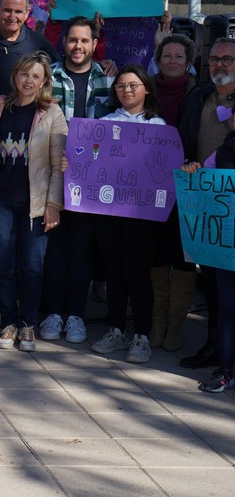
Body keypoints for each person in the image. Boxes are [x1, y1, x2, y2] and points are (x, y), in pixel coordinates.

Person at [0, 52, 67, 352]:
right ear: (15, 75)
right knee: (4, 264)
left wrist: (53, 204)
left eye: (35, 76)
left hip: (36, 202)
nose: (28, 81)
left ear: (44, 81)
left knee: (32, 266)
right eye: (24, 74)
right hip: (0, 199)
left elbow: (59, 165)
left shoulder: (52, 113)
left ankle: (28, 324)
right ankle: (9, 322)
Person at [39, 16, 114, 346]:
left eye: (85, 41)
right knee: (54, 248)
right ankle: (53, 313)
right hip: (52, 176)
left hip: (92, 182)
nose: (78, 46)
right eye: (73, 40)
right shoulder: (48, 78)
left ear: (94, 44)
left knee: (82, 250)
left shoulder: (109, 81)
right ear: (63, 41)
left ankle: (76, 316)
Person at [88, 65, 166, 364]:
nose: (127, 90)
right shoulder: (105, 122)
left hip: (142, 215)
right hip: (109, 212)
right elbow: (92, 162)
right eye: (121, 86)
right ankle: (116, 329)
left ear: (146, 88)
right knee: (114, 272)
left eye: (133, 85)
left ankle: (141, 336)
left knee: (138, 273)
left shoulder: (159, 126)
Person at [176, 37, 235, 370]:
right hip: (203, 202)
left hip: (233, 204)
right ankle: (214, 345)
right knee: (212, 284)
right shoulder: (197, 98)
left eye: (228, 60)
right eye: (214, 59)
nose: (220, 66)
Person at [149, 34, 198, 352]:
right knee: (154, 252)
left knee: (183, 254)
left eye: (179, 56)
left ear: (189, 62)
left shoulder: (201, 94)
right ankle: (157, 320)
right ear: (159, 58)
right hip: (149, 183)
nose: (172, 61)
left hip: (188, 182)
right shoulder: (146, 88)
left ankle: (176, 325)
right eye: (167, 55)